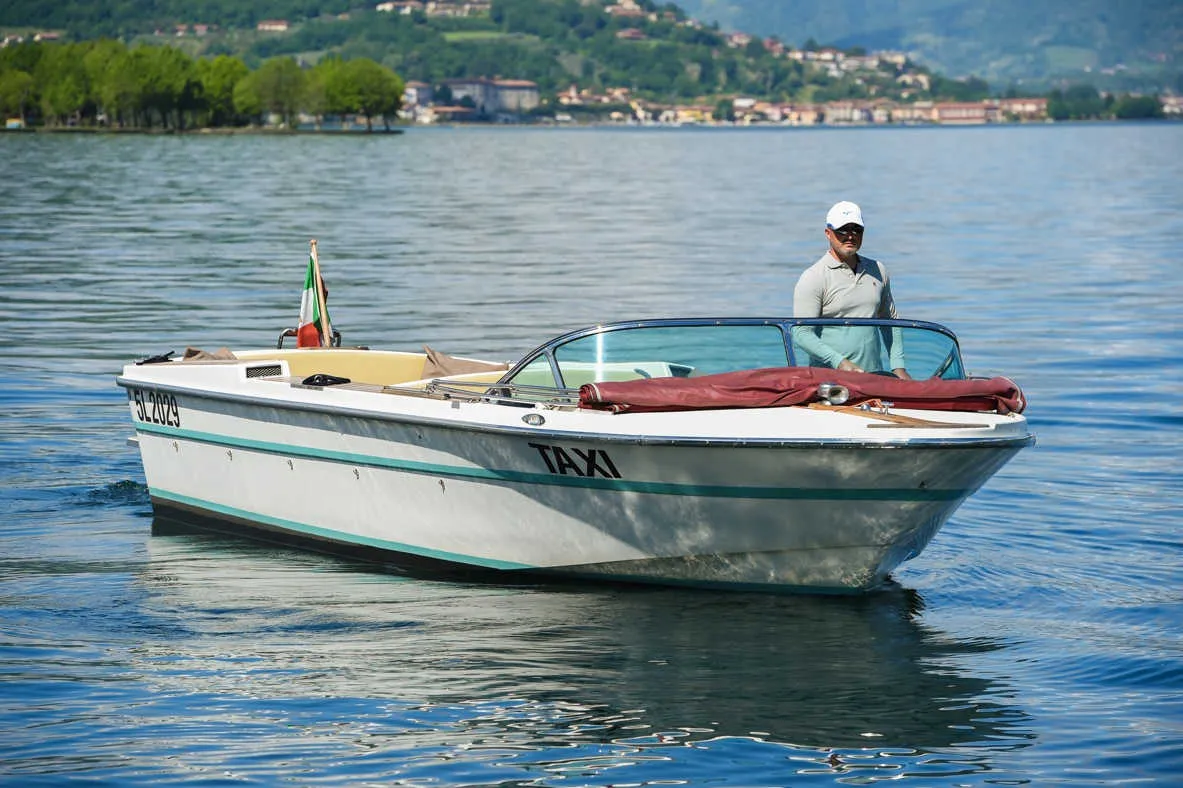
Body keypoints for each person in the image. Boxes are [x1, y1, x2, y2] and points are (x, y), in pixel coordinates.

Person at [791, 201, 911, 378]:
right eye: (843, 230)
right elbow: (801, 334)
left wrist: (898, 368)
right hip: (828, 380)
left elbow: (891, 321)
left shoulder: (878, 270)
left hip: (873, 377)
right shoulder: (813, 277)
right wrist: (839, 362)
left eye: (856, 229)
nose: (850, 236)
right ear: (828, 233)